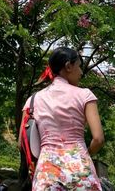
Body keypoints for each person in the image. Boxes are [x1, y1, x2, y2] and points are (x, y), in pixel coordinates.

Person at [19, 47, 105, 190]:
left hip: (47, 173)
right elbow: (98, 139)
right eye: (79, 66)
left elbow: (22, 142)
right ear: (68, 66)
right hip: (80, 170)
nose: (81, 72)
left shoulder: (33, 100)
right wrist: (84, 154)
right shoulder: (85, 95)